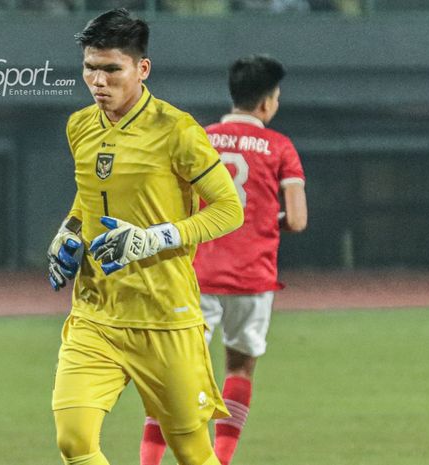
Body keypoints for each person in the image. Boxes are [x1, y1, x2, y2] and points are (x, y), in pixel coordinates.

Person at [47, 8, 245, 465]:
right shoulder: (79, 126)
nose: (98, 81)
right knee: (73, 440)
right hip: (95, 314)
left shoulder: (176, 131)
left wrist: (155, 238)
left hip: (164, 317)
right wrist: (67, 232)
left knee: (193, 452)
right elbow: (89, 198)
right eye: (90, 68)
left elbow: (230, 209)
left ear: (142, 68)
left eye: (112, 69)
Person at [139, 55, 307, 465]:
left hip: (194, 275)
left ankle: (149, 463)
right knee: (238, 369)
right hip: (252, 278)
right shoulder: (280, 146)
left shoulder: (199, 138)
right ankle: (221, 459)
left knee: (173, 375)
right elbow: (298, 219)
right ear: (266, 103)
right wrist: (266, 222)